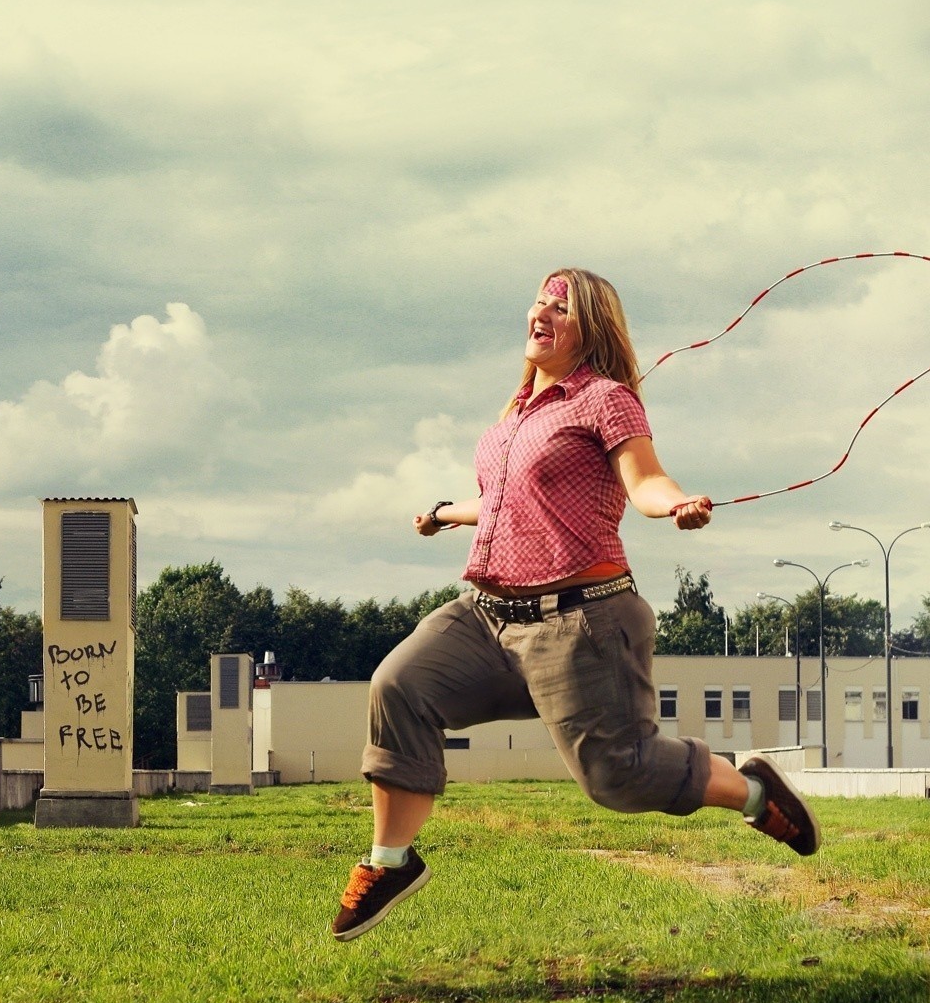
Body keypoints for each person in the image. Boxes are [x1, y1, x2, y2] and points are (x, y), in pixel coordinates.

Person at [331, 267, 820, 942]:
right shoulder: (512, 418)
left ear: (588, 329)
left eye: (561, 307)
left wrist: (672, 504)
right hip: (488, 616)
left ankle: (756, 791)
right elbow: (512, 502)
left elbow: (644, 478)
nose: (543, 313)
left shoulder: (605, 399)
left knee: (618, 778)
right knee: (400, 686)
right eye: (538, 301)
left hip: (580, 621)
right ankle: (390, 861)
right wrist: (448, 513)